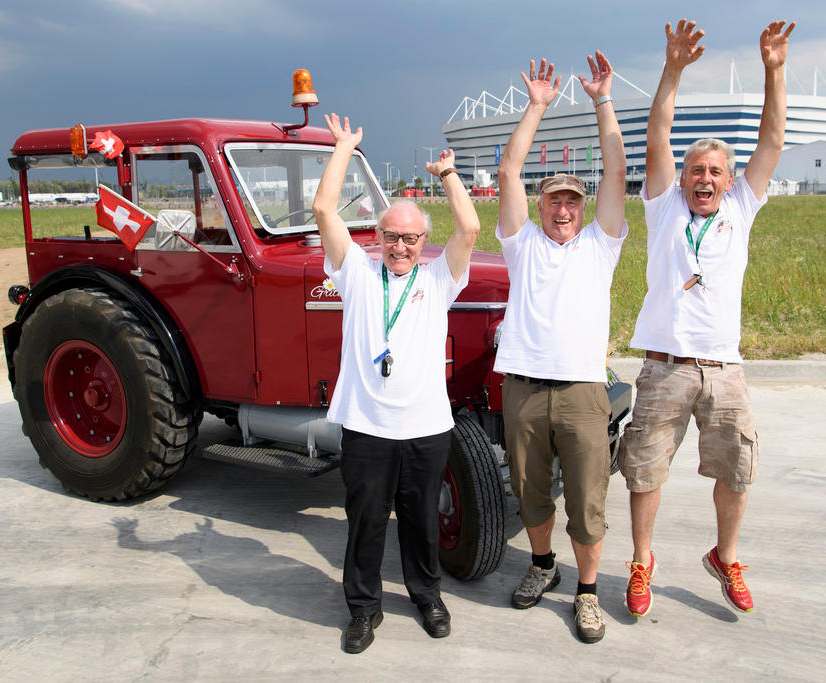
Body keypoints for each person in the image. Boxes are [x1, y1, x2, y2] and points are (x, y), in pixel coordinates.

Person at [619, 19, 795, 618]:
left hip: (723, 368)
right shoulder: (663, 207)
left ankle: (726, 556)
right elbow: (660, 130)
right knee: (644, 471)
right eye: (697, 170)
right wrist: (672, 70)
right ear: (683, 179)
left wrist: (774, 69)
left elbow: (771, 140)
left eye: (716, 172)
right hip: (665, 367)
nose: (705, 179)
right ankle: (643, 560)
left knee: (737, 471)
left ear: (729, 180)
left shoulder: (741, 208)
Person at [312, 113, 479, 654]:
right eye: (391, 236)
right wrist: (343, 148)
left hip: (426, 428)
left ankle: (426, 595)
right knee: (365, 524)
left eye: (410, 237)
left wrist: (449, 176)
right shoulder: (356, 273)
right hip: (366, 427)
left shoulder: (439, 279)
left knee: (421, 522)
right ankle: (363, 609)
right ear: (378, 236)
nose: (400, 246)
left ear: (423, 240)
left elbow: (470, 229)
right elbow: (322, 210)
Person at [495, 52, 627, 644]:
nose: (565, 209)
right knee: (529, 494)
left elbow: (618, 173)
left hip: (580, 392)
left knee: (587, 500)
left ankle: (588, 593)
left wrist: (602, 100)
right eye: (555, 200)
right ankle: (543, 566)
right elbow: (507, 172)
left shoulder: (600, 247)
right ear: (542, 206)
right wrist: (537, 106)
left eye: (573, 201)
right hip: (523, 387)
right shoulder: (521, 245)